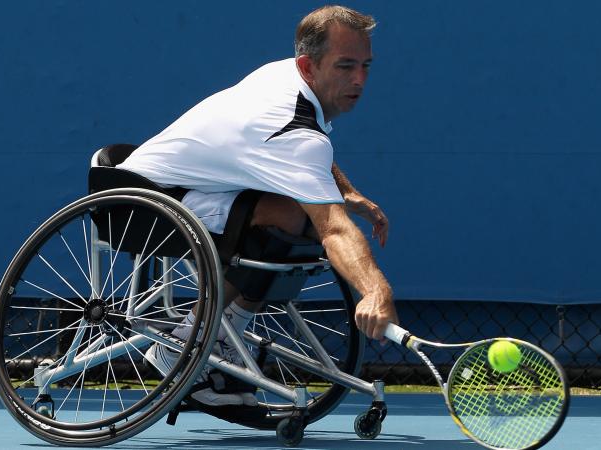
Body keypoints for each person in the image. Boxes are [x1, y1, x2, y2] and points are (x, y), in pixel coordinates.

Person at [118, 5, 398, 407]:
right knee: (297, 218)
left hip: (184, 187)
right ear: (308, 65)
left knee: (292, 212)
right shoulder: (291, 127)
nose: (359, 79)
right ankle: (184, 342)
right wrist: (375, 291)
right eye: (346, 66)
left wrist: (348, 193)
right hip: (146, 202)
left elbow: (306, 152)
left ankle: (222, 331)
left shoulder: (285, 75)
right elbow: (333, 226)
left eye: (366, 65)